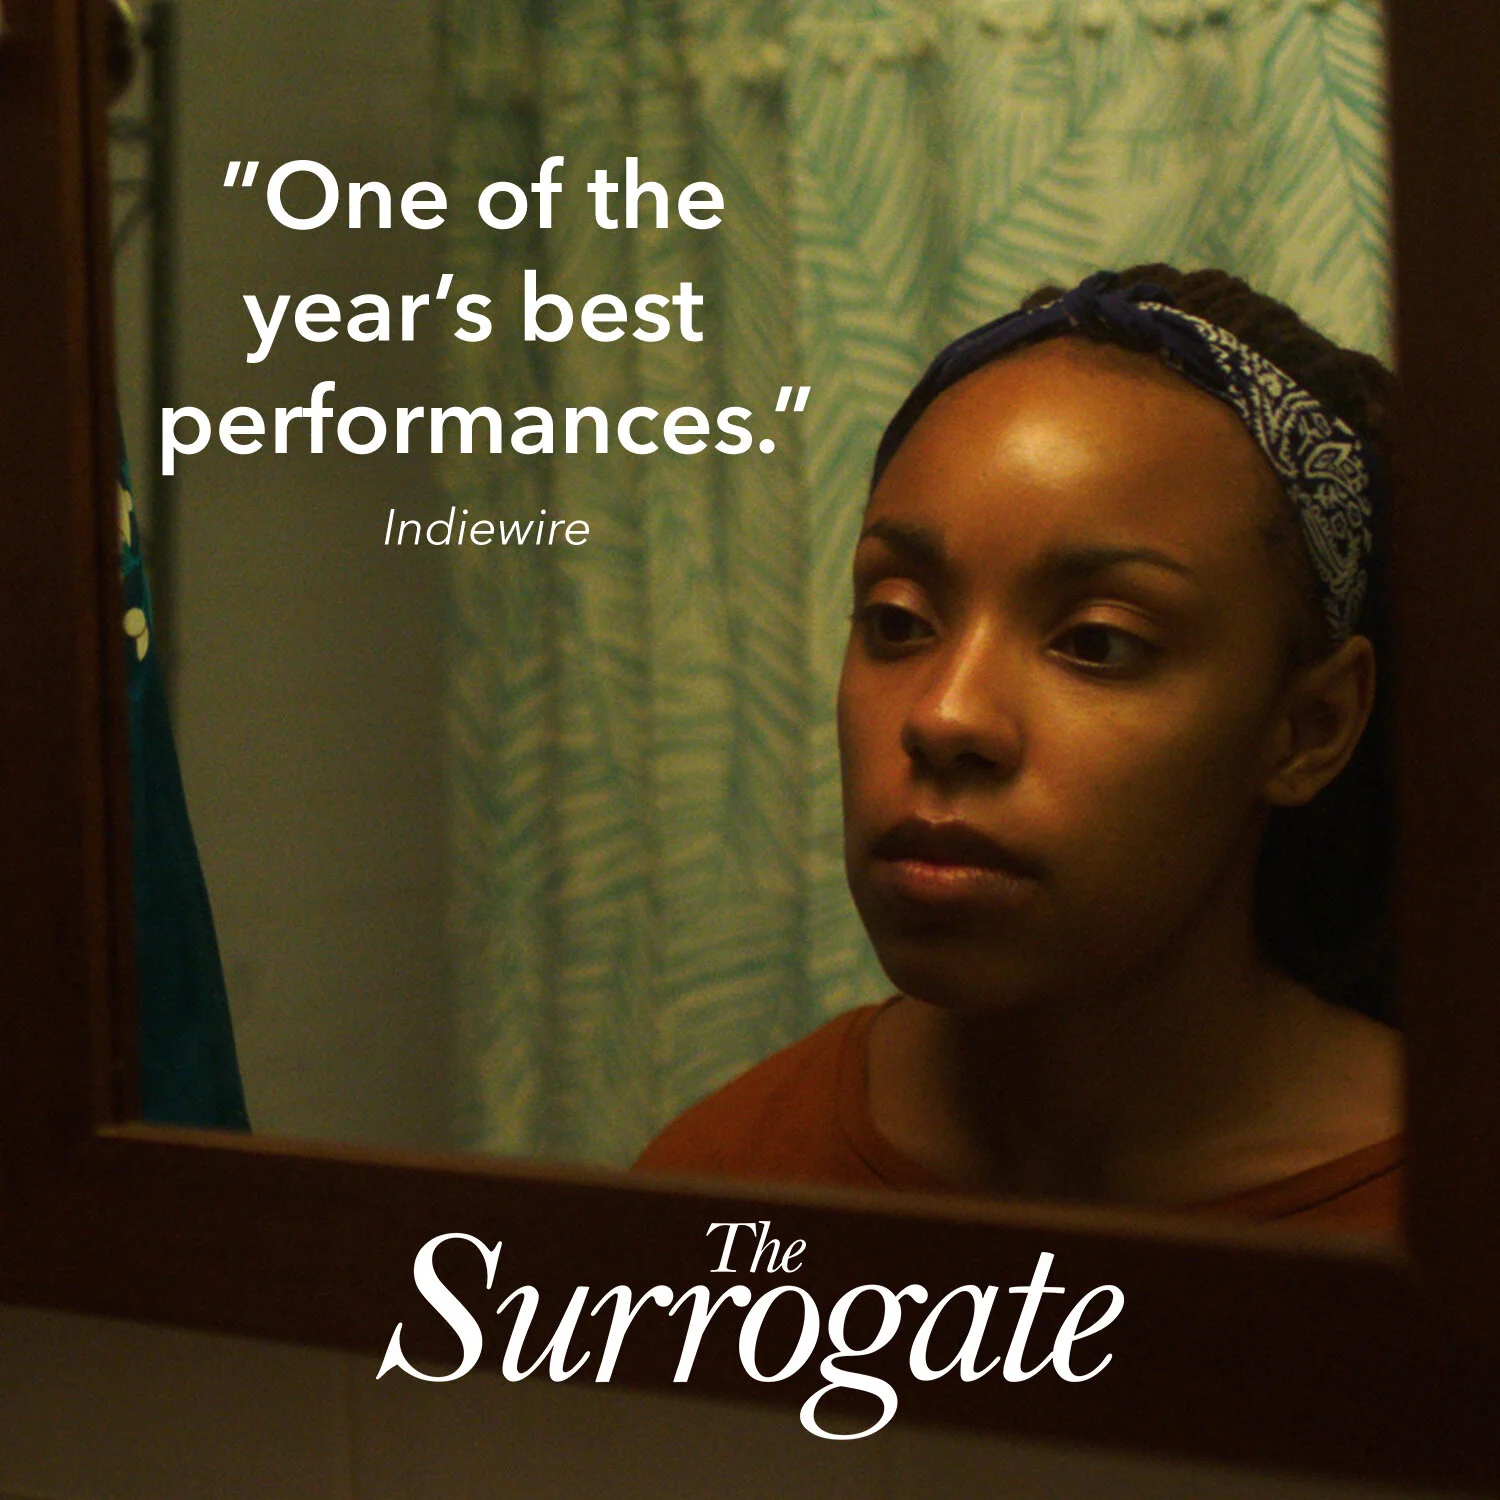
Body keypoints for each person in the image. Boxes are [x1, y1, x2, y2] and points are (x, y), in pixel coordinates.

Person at [635, 266, 1401, 1235]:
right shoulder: (722, 1185)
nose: (944, 717)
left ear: (1310, 728)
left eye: (1098, 642)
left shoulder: (1447, 1219)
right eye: (897, 621)